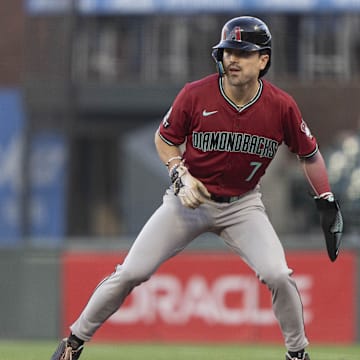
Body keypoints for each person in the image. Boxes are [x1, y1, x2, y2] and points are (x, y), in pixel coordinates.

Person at [51, 16, 343, 360]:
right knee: (132, 271)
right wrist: (179, 174)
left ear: (263, 60)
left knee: (278, 274)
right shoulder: (196, 93)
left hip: (242, 205)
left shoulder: (281, 106)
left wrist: (325, 197)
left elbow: (308, 154)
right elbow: (165, 139)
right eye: (227, 51)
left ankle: (297, 354)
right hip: (188, 200)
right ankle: (73, 342)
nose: (231, 59)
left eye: (242, 52)